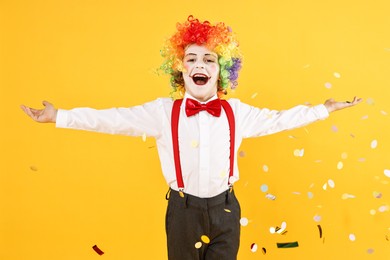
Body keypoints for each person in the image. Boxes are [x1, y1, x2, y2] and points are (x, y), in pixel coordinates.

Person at [21, 16, 362, 260]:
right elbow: (114, 119)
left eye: (209, 59)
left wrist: (323, 109)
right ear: (180, 68)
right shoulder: (162, 112)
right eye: (191, 58)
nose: (200, 64)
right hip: (183, 211)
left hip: (227, 209)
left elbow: (278, 120)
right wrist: (59, 116)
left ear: (221, 69)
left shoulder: (237, 113)